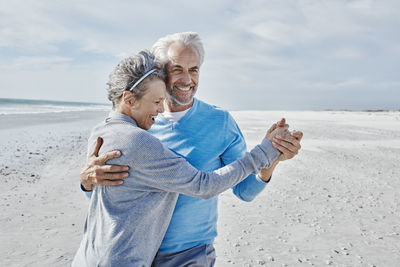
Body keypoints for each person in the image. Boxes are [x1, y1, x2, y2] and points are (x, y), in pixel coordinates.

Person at [80, 32, 303, 266]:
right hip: (135, 254)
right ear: (160, 72)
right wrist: (86, 182)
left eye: (194, 69)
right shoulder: (136, 125)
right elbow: (107, 198)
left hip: (189, 254)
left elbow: (245, 192)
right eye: (177, 69)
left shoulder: (220, 122)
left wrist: (273, 157)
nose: (187, 79)